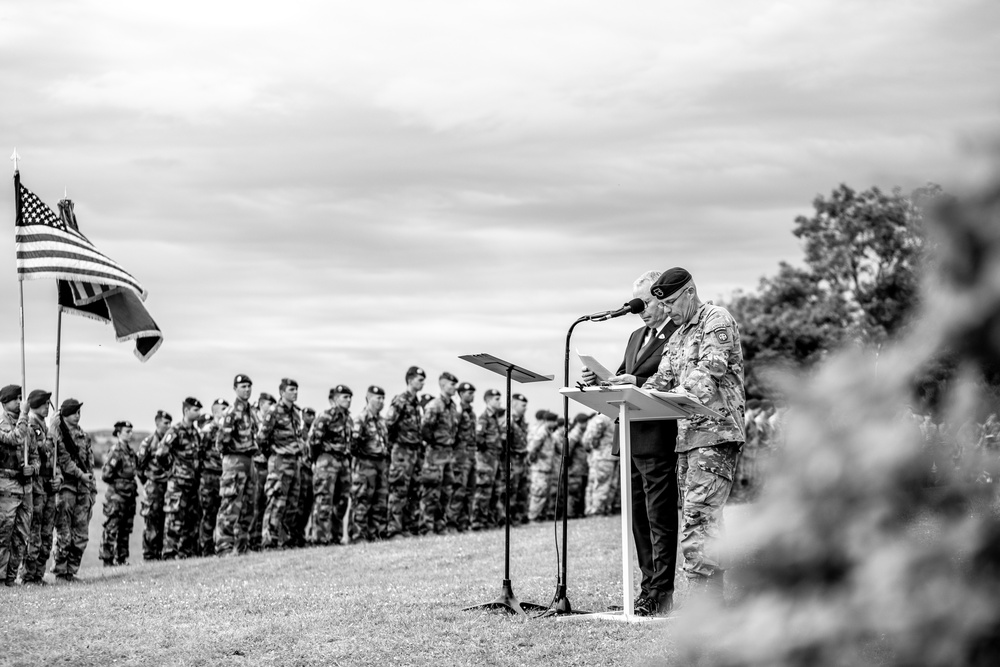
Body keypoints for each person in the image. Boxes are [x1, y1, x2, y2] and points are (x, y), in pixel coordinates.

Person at [642, 267, 746, 603]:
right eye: (665, 305)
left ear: (690, 292)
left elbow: (711, 370)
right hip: (688, 438)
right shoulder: (676, 336)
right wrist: (632, 391)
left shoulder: (716, 319)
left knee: (698, 516)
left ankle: (703, 602)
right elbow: (660, 380)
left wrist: (676, 395)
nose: (668, 310)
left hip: (716, 434)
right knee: (702, 516)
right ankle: (713, 600)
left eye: (672, 302)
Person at [583, 268, 681, 616]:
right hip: (627, 434)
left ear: (660, 298)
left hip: (656, 434)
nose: (639, 309)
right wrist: (600, 378)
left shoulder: (677, 334)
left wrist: (635, 379)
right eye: (635, 303)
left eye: (645, 301)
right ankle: (645, 589)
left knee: (659, 516)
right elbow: (623, 375)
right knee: (638, 517)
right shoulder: (636, 335)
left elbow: (670, 379)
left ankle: (661, 593)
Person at [52, 398, 96, 582]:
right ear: (64, 414)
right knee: (64, 533)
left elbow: (90, 464)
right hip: (67, 488)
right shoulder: (59, 435)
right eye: (73, 412)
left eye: (78, 412)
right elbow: (63, 461)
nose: (77, 416)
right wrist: (80, 475)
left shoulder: (84, 436)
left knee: (81, 533)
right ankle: (61, 572)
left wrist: (91, 489)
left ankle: (71, 570)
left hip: (83, 489)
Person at [215, 375, 260, 556]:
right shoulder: (231, 413)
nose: (247, 389)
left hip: (249, 461)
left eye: (249, 386)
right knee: (230, 506)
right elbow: (221, 442)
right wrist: (231, 458)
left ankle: (242, 546)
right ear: (235, 388)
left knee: (248, 506)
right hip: (234, 461)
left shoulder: (251, 412)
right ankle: (224, 547)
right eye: (243, 386)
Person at [259, 379, 303, 549]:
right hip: (279, 461)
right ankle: (269, 541)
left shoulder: (295, 413)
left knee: (291, 504)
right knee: (276, 502)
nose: (295, 393)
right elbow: (261, 438)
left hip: (294, 461)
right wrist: (272, 453)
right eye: (291, 389)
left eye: (296, 390)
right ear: (282, 392)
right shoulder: (274, 411)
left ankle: (284, 541)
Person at [385, 366, 426, 539]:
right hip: (401, 451)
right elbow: (388, 423)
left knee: (414, 490)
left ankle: (410, 527)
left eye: (423, 380)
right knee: (399, 490)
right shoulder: (401, 400)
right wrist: (396, 444)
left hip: (415, 452)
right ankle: (394, 529)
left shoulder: (416, 403)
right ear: (409, 380)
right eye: (419, 379)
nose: (422, 383)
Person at [309, 386, 354, 546]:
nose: (348, 400)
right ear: (334, 399)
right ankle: (320, 538)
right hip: (326, 460)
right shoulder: (325, 416)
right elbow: (314, 441)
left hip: (343, 461)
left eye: (349, 397)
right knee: (324, 500)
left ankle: (335, 536)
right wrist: (318, 460)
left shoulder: (348, 419)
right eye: (344, 397)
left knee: (342, 500)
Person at [160, 398, 204, 559]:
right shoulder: (175, 431)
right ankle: (169, 554)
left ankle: (186, 553)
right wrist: (173, 470)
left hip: (192, 483)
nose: (198, 413)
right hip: (177, 483)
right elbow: (161, 454)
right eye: (195, 410)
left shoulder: (195, 433)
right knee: (174, 519)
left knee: (191, 520)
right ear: (186, 411)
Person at [0, 385, 34, 586]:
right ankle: (1, 577)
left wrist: (33, 468)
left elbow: (35, 454)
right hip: (7, 487)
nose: (20, 402)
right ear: (4, 403)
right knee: (4, 533)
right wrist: (24, 414)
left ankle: (11, 578)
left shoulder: (26, 425)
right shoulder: (2, 425)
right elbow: (15, 438)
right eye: (16, 399)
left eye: (21, 398)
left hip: (25, 487)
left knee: (21, 535)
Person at [21, 389, 56, 584]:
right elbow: (45, 451)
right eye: (43, 404)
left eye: (47, 404)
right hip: (36, 485)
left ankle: (38, 574)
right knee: (34, 530)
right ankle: (28, 575)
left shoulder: (42, 424)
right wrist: (51, 432)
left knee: (46, 531)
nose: (46, 407)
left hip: (47, 485)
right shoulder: (33, 424)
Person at [418, 372, 460, 535]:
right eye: (452, 384)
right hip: (435, 453)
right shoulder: (435, 405)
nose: (454, 388)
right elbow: (425, 428)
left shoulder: (452, 406)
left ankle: (440, 525)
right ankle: (426, 527)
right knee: (431, 491)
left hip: (448, 453)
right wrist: (434, 443)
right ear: (442, 385)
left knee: (446, 490)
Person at [350, 386, 389, 542]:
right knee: (362, 499)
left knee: (380, 500)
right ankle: (358, 536)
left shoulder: (381, 421)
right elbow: (353, 444)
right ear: (368, 398)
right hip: (365, 463)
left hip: (381, 463)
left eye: (382, 398)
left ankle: (375, 534)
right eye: (377, 398)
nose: (381, 402)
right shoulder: (361, 419)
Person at [99, 420, 139, 566]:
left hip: (129, 496)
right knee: (112, 528)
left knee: (125, 529)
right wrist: (120, 483)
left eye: (131, 431)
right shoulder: (116, 451)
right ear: (118, 433)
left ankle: (122, 558)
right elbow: (106, 474)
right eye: (127, 432)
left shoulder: (130, 452)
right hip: (117, 497)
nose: (130, 434)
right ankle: (107, 559)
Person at [136, 410, 172, 560]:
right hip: (153, 486)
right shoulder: (149, 442)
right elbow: (140, 466)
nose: (168, 426)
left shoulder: (170, 441)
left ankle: (162, 554)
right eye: (165, 423)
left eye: (170, 423)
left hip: (168, 486)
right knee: (151, 521)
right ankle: (149, 555)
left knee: (165, 521)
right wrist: (148, 482)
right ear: (157, 423)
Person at [198, 399, 227, 556]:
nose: (226, 411)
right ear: (215, 412)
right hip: (209, 477)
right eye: (223, 408)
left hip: (223, 476)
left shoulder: (226, 429)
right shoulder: (208, 431)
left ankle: (220, 546)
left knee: (223, 514)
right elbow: (199, 453)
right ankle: (206, 550)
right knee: (208, 515)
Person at [446, 382, 477, 533]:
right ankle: (451, 523)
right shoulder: (457, 411)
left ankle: (464, 524)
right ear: (461, 394)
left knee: (469, 492)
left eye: (473, 393)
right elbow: (451, 434)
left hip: (471, 456)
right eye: (469, 393)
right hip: (459, 457)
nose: (472, 395)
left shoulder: (471, 412)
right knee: (458, 491)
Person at [471, 389, 504, 531]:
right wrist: (486, 455)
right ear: (488, 400)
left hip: (494, 459)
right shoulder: (484, 417)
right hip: (486, 460)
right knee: (483, 492)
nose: (499, 402)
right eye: (496, 399)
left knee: (494, 492)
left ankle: (490, 521)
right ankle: (478, 523)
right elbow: (478, 438)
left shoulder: (494, 418)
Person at [249, 392, 275, 551]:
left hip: (269, 466)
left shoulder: (270, 420)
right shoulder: (252, 419)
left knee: (265, 504)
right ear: (261, 404)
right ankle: (251, 540)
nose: (270, 408)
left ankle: (260, 540)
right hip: (256, 466)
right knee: (254, 504)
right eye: (268, 404)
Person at [499, 393, 531, 525]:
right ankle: (507, 519)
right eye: (523, 405)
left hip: (521, 461)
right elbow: (503, 443)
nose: (525, 408)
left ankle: (518, 518)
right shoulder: (508, 421)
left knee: (521, 491)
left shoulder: (522, 421)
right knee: (510, 490)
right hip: (512, 460)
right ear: (515, 404)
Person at [527, 411, 559, 522]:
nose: (555, 423)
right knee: (538, 493)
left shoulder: (548, 432)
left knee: (544, 493)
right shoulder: (541, 432)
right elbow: (533, 449)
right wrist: (536, 459)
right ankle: (533, 517)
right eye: (553, 421)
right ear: (548, 421)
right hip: (540, 468)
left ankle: (540, 516)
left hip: (547, 468)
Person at [583, 414, 618, 516]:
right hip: (603, 456)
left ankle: (605, 508)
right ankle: (597, 510)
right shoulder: (603, 417)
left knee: (611, 484)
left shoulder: (610, 416)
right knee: (601, 484)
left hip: (611, 456)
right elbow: (589, 438)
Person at [291, 407, 316, 547]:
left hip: (309, 471)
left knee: (307, 505)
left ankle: (301, 535)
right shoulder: (299, 430)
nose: (310, 417)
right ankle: (294, 535)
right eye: (307, 415)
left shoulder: (313, 431)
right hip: (300, 469)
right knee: (298, 504)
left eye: (312, 415)